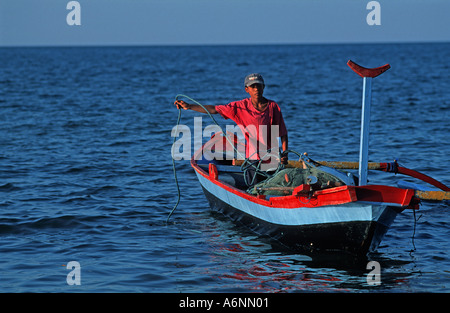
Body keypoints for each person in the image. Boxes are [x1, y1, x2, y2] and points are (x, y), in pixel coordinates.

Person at [174, 73, 288, 185]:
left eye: (258, 86)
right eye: (253, 87)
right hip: (253, 159)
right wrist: (189, 106)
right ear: (247, 89)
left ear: (263, 87)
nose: (256, 89)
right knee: (255, 189)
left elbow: (283, 133)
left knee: (274, 187)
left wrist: (285, 155)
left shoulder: (273, 107)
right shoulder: (239, 107)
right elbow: (215, 109)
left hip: (272, 158)